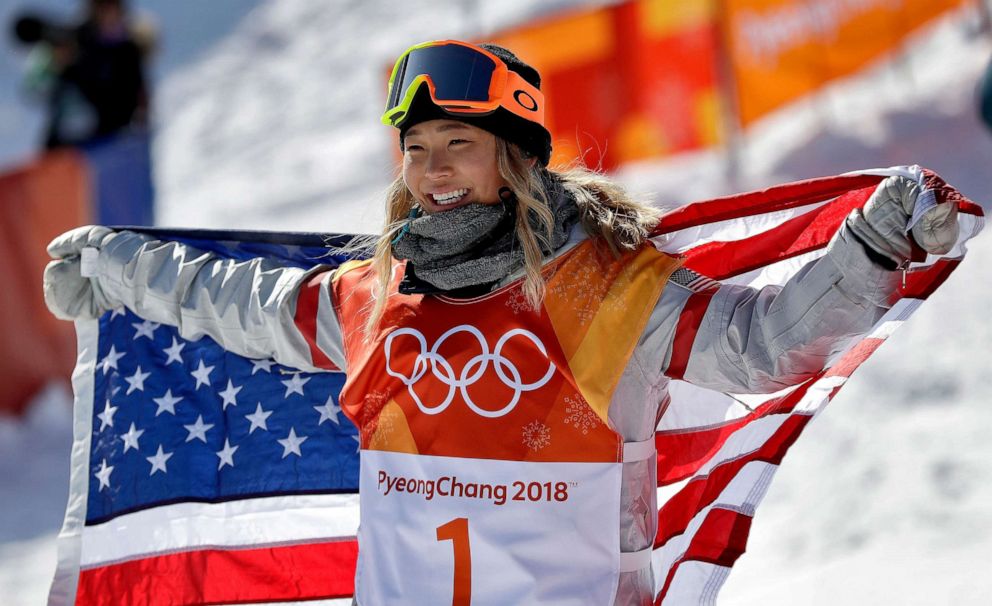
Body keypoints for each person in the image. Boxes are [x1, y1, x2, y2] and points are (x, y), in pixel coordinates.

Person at [42, 40, 960, 605]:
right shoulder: (377, 295)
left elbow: (766, 346)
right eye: (419, 150)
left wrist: (870, 250)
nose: (435, 171)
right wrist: (121, 267)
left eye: (460, 147)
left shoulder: (610, 289)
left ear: (515, 158)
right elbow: (240, 308)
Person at [12, 0, 150, 149]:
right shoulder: (72, 40)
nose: (108, 13)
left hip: (109, 146)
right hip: (63, 149)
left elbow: (138, 101)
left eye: (112, 6)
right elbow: (32, 89)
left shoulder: (128, 52)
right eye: (102, 6)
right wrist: (55, 65)